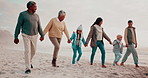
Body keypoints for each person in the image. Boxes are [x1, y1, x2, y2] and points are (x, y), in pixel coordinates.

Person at [14, 1, 44, 74]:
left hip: (34, 35)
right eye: (35, 7)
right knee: (27, 51)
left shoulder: (37, 16)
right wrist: (16, 36)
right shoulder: (22, 14)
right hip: (25, 35)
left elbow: (39, 26)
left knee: (33, 51)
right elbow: (18, 26)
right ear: (30, 7)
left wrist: (42, 35)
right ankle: (27, 68)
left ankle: (29, 61)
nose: (36, 8)